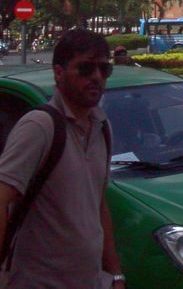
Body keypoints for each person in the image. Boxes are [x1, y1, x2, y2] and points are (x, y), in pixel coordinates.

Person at [0, 29, 125, 289]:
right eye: (85, 69)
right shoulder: (40, 127)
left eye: (104, 69)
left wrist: (115, 274)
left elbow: (98, 205)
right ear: (59, 73)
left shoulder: (102, 127)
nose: (96, 77)